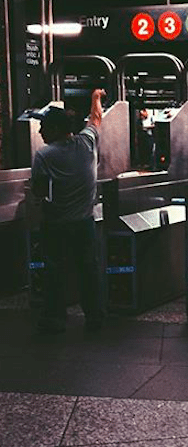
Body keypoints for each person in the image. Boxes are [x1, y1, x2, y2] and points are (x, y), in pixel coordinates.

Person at [30, 89, 106, 333]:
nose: (40, 132)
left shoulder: (43, 155)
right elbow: (96, 119)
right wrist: (96, 98)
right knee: (88, 269)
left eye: (43, 128)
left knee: (54, 270)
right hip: (84, 222)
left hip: (56, 223)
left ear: (54, 130)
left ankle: (55, 318)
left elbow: (39, 190)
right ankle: (94, 316)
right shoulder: (87, 142)